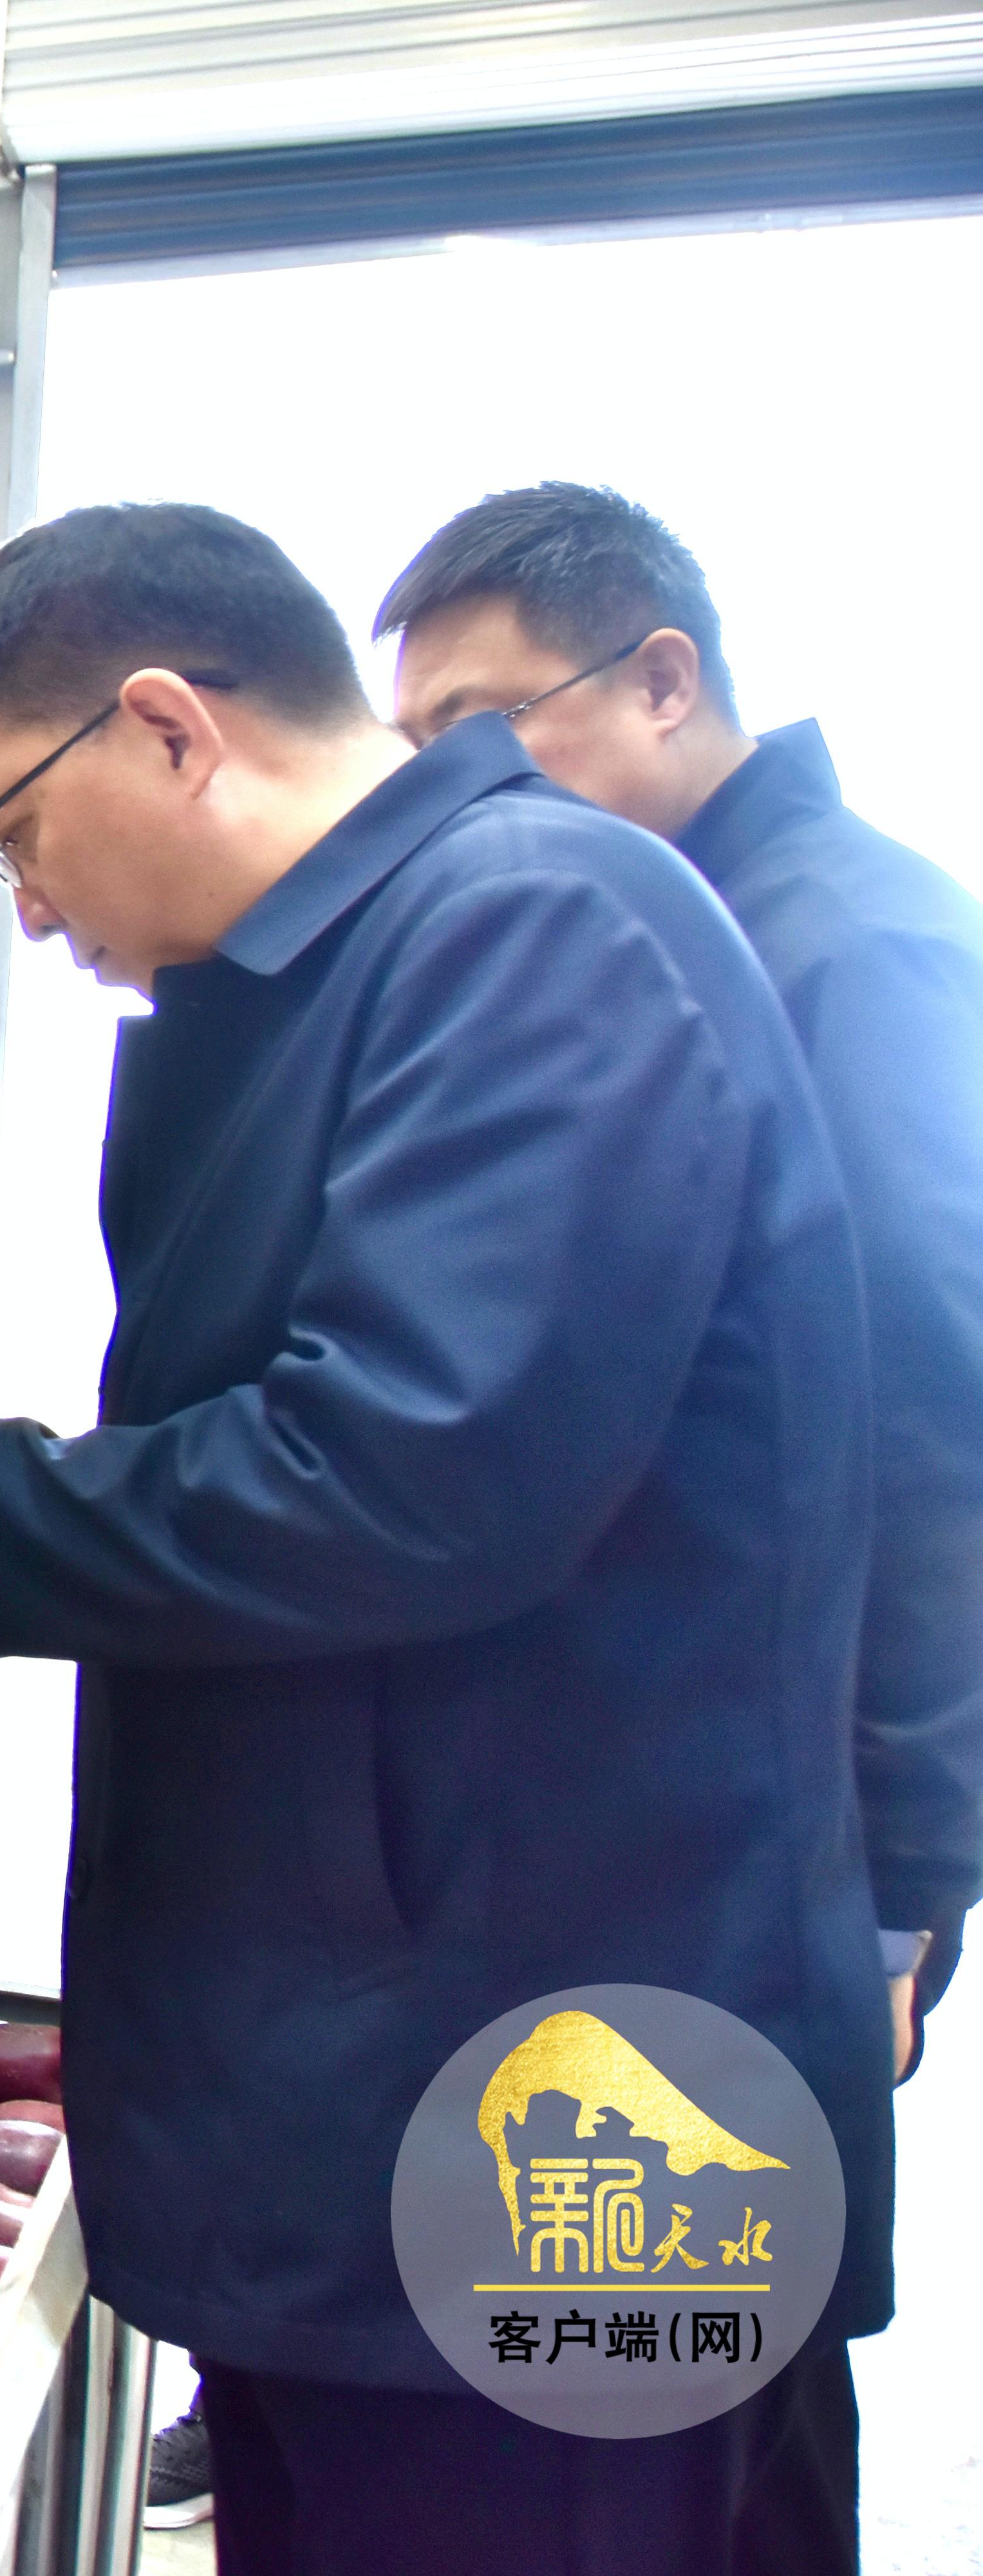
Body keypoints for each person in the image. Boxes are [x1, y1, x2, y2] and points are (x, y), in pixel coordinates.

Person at [0, 504, 893, 2570]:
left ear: (169, 728)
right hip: (383, 2060)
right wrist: (2, 1465)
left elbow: (411, 1474)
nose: (28, 907)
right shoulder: (369, 966)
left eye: (15, 831)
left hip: (557, 2099)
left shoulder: (541, 934)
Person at [377, 483, 983, 2083]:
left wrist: (902, 1882)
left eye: (484, 725)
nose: (447, 791)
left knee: (683, 2227)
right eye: (414, 748)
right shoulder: (647, 933)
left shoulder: (849, 947)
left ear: (662, 680)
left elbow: (933, 1425)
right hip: (622, 1800)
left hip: (769, 1840)